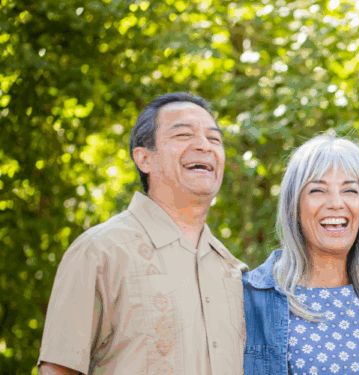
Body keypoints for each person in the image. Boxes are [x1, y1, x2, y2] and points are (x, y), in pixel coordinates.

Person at [37, 92, 248, 375]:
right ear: (144, 159)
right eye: (184, 135)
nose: (204, 146)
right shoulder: (100, 251)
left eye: (214, 139)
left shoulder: (233, 271)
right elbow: (58, 370)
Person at [242, 135, 359, 375]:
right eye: (318, 190)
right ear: (294, 206)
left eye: (349, 190)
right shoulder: (253, 297)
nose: (336, 203)